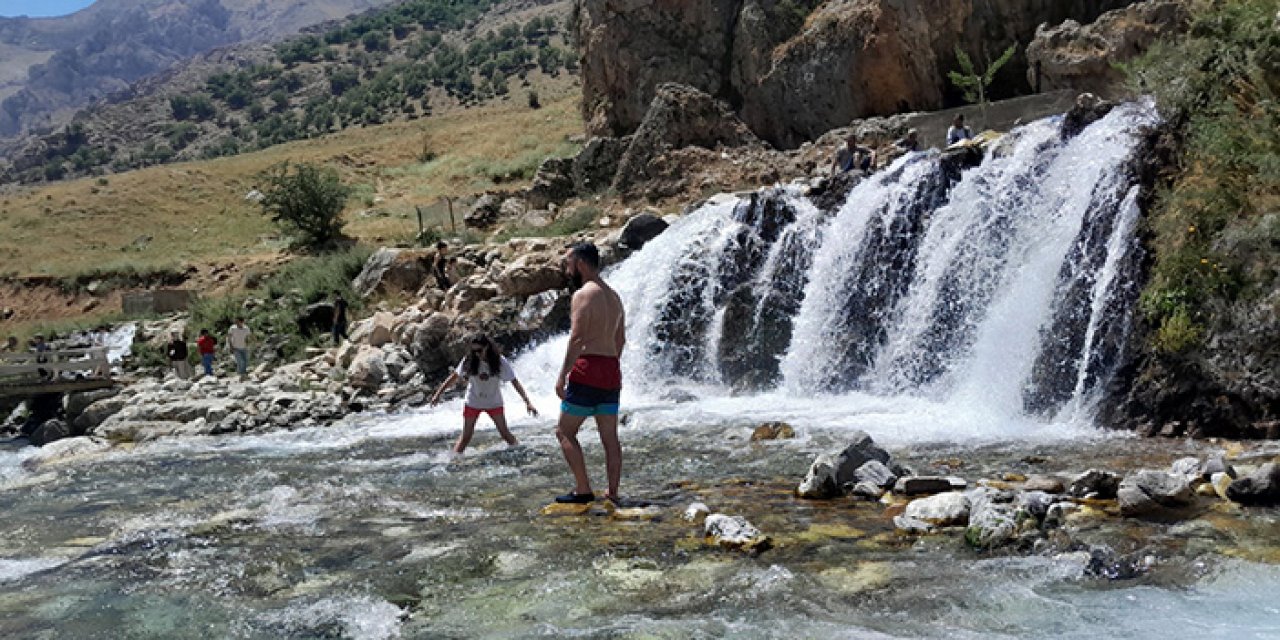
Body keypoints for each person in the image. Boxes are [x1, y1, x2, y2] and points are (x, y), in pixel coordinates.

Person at [553, 242, 626, 504]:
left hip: (588, 368)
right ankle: (613, 492)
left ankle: (583, 489)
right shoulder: (614, 296)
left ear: (581, 263)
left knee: (564, 431)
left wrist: (563, 374)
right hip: (610, 369)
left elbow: (577, 338)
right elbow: (621, 341)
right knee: (610, 437)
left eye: (568, 263)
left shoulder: (584, 294)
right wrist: (609, 365)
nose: (566, 268)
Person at [429, 334, 537, 454]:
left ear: (487, 347)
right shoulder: (469, 360)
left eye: (479, 350)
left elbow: (514, 382)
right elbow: (454, 377)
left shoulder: (499, 361)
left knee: (505, 434)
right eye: (474, 351)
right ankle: (454, 460)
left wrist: (527, 402)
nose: (477, 354)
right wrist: (438, 394)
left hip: (494, 402)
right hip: (473, 402)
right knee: (466, 437)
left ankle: (521, 453)